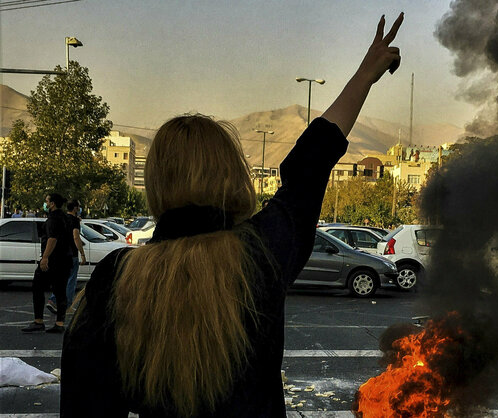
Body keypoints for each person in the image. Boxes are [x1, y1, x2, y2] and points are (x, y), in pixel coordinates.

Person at [61, 13, 403, 417]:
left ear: (156, 182)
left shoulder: (115, 279)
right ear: (231, 174)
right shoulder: (261, 253)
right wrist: (365, 73)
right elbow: (311, 163)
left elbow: (85, 405)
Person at [21, 193, 73, 333]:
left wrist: (45, 258)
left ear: (52, 204)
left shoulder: (53, 219)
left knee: (37, 287)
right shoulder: (65, 217)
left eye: (47, 201)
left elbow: (52, 239)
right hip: (65, 260)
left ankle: (38, 321)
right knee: (60, 291)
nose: (45, 204)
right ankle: (60, 323)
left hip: (53, 261)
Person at [47, 199, 86, 315]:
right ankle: (66, 305)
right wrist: (82, 253)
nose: (79, 208)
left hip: (61, 253)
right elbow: (76, 236)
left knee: (61, 279)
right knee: (71, 281)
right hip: (71, 254)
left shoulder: (63, 218)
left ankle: (53, 300)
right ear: (75, 208)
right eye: (78, 206)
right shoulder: (74, 221)